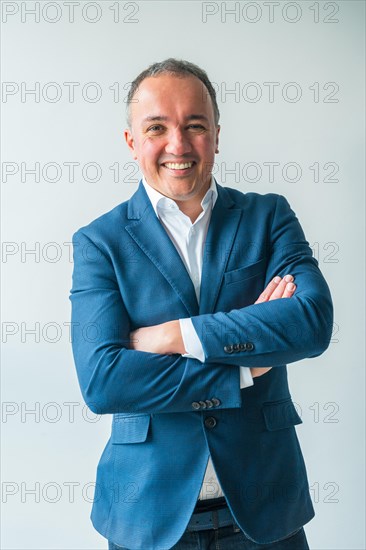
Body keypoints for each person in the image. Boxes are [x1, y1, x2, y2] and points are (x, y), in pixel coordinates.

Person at [70, 58, 333, 550]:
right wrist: (240, 370)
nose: (179, 145)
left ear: (216, 133)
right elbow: (103, 380)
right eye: (156, 127)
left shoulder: (268, 216)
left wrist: (175, 336)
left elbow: (312, 323)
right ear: (131, 141)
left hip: (265, 512)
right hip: (147, 516)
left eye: (195, 126)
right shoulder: (99, 242)